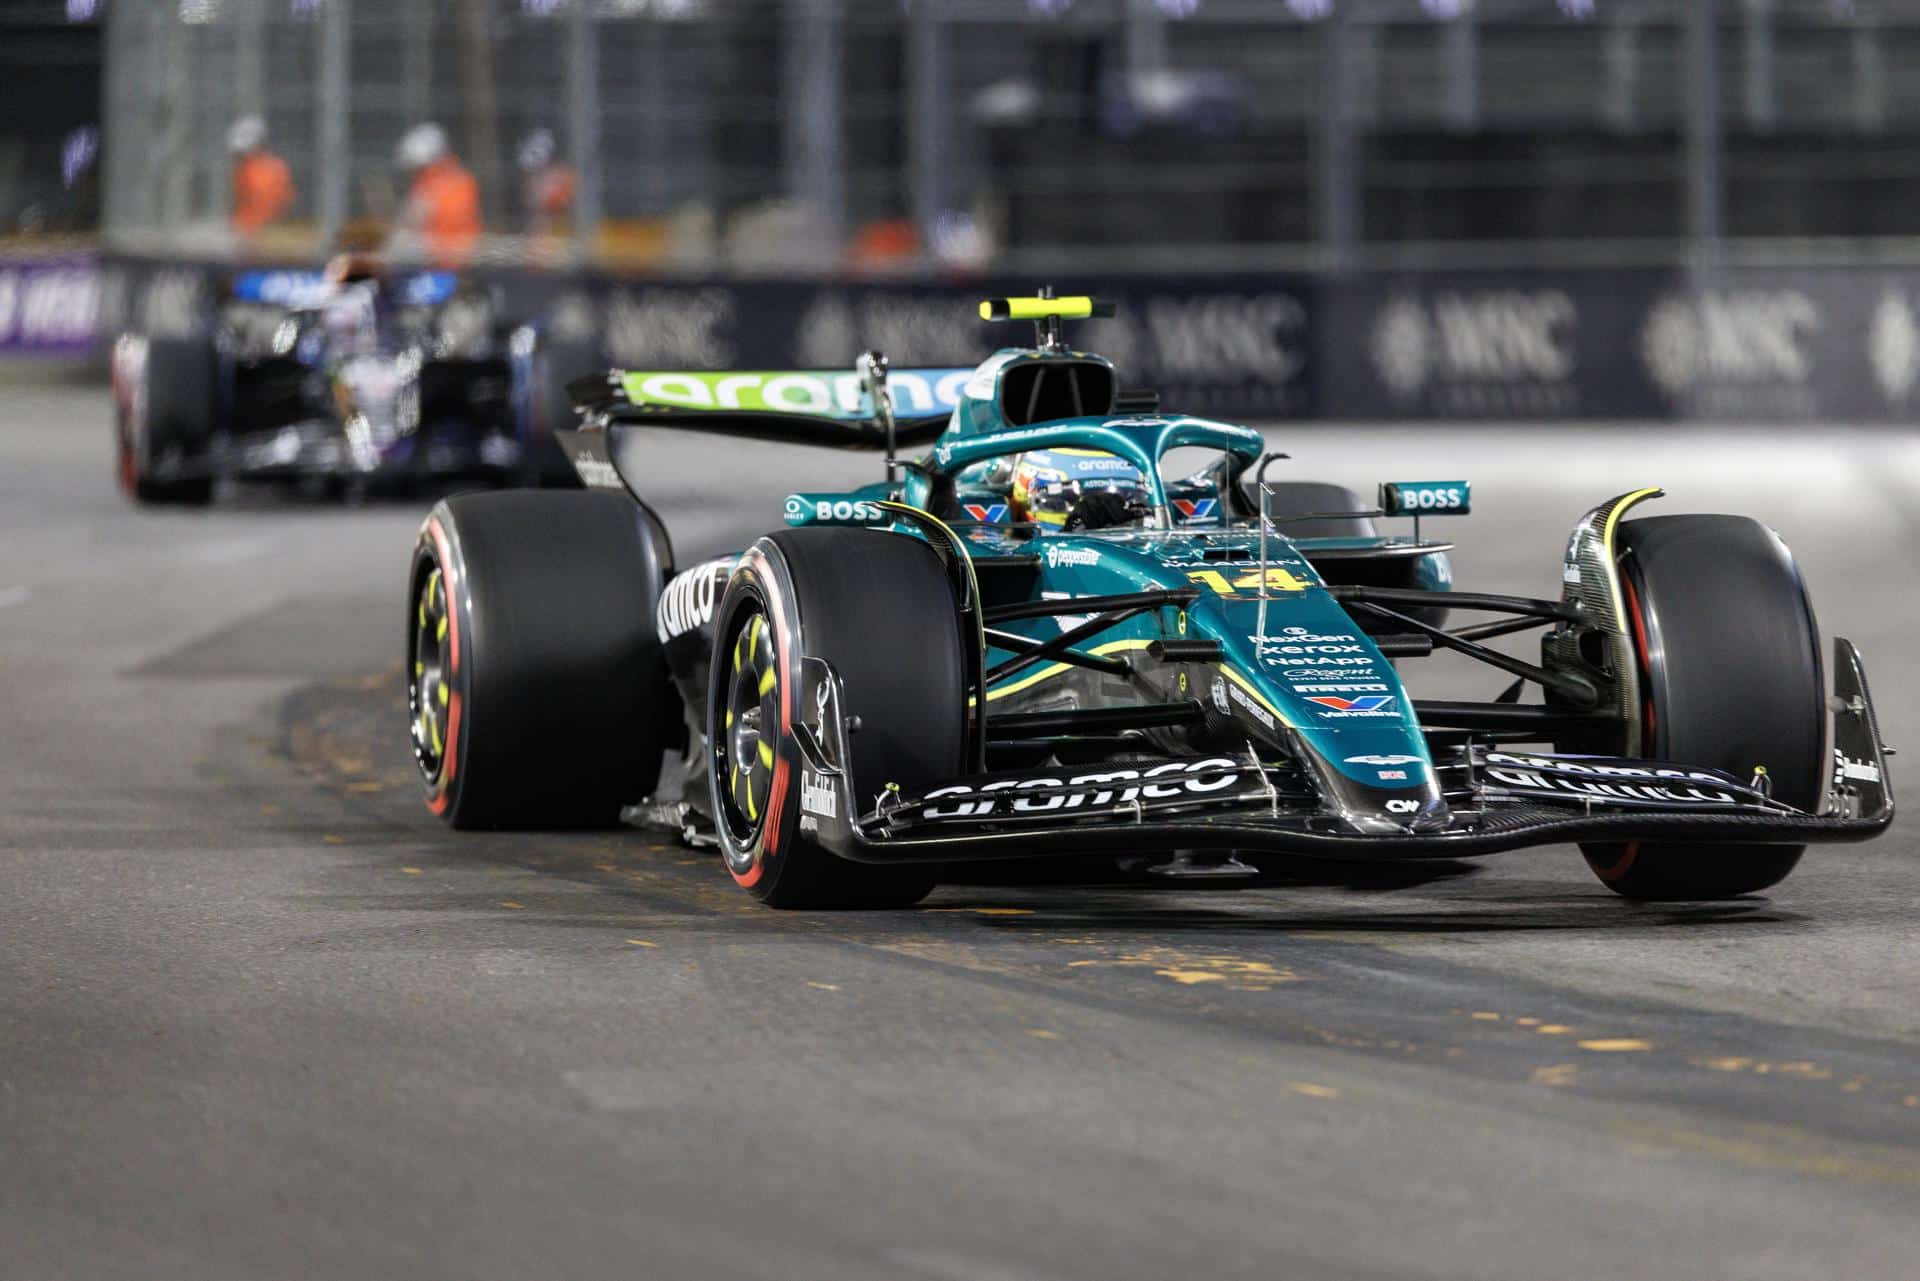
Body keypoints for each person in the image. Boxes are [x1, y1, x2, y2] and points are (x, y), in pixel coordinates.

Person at [392, 123, 482, 268]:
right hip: (448, 260)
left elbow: (415, 218)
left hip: (445, 263)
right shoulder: (459, 180)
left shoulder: (439, 185)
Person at [228, 115, 294, 237]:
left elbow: (274, 204)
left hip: (254, 231)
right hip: (254, 230)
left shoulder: (258, 170)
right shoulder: (274, 168)